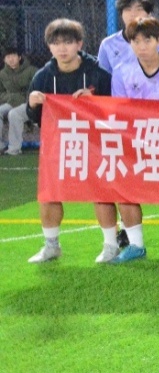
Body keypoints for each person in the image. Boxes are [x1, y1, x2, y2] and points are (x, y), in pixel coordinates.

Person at [25, 19, 116, 264]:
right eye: (56, 43)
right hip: (58, 146)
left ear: (79, 44)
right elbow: (35, 118)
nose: (62, 48)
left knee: (101, 192)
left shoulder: (98, 74)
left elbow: (116, 111)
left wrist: (96, 101)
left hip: (95, 144)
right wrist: (32, 104)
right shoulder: (42, 77)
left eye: (67, 42)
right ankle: (51, 246)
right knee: (49, 193)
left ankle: (111, 245)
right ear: (49, 47)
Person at [109, 16, 159, 263]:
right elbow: (119, 109)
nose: (142, 46)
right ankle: (136, 245)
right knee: (125, 190)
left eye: (147, 40)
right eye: (136, 41)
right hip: (134, 140)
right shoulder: (122, 71)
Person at [97, 0, 159, 73]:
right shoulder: (108, 45)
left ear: (149, 13)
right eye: (128, 9)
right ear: (121, 14)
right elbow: (101, 77)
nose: (133, 14)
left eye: (139, 9)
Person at [0, 45, 35, 156]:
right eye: (8, 57)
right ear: (4, 60)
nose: (11, 59)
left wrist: (26, 98)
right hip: (10, 102)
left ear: (19, 57)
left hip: (28, 103)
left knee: (13, 114)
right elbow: (1, 93)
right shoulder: (2, 74)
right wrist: (10, 97)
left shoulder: (31, 70)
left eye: (13, 56)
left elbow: (37, 88)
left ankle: (14, 149)